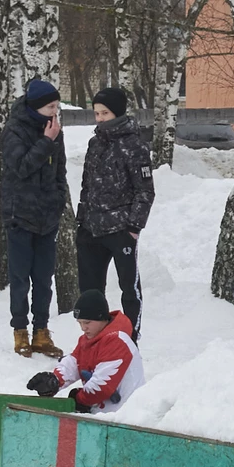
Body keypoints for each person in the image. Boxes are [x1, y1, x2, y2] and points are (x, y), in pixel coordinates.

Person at [76, 86, 154, 335]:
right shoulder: (94, 143)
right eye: (97, 113)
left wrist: (133, 227)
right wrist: (81, 220)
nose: (100, 118)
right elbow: (87, 186)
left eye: (105, 113)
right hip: (90, 229)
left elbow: (145, 191)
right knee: (90, 293)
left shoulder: (134, 145)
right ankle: (95, 341)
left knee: (129, 289)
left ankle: (130, 340)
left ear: (118, 113)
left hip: (120, 229)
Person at [1, 78, 69, 358]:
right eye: (50, 107)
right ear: (36, 106)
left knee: (44, 278)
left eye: (57, 106)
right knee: (20, 278)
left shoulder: (54, 131)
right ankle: (20, 331)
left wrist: (59, 200)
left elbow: (60, 171)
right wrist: (46, 141)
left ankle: (42, 331)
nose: (55, 112)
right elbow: (21, 167)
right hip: (20, 215)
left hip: (47, 216)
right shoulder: (14, 130)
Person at [26, 290, 145, 413]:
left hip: (125, 414)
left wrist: (79, 400)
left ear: (101, 318)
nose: (83, 328)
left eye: (87, 322)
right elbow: (75, 362)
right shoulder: (89, 340)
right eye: (80, 323)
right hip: (102, 414)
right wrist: (55, 380)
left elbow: (102, 386)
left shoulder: (117, 341)